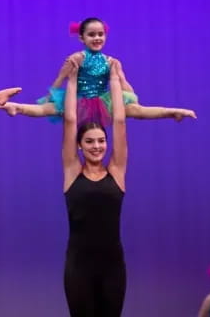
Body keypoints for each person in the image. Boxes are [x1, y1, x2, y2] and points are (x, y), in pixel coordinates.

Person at [0, 17, 196, 125]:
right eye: (92, 35)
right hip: (79, 100)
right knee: (47, 109)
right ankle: (17, 107)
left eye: (100, 34)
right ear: (82, 38)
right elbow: (58, 83)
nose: (97, 38)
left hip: (103, 100)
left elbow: (128, 89)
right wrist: (55, 87)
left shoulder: (111, 62)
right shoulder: (76, 58)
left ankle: (173, 112)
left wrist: (126, 90)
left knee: (136, 111)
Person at [61, 60, 127, 316]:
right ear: (80, 145)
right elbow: (69, 121)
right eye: (89, 141)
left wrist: (114, 80)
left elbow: (119, 122)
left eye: (101, 141)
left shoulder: (117, 172)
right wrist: (73, 79)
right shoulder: (72, 173)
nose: (97, 146)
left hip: (113, 266)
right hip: (79, 266)